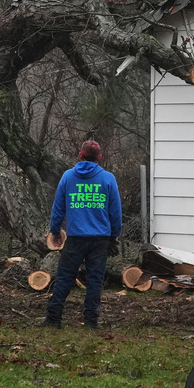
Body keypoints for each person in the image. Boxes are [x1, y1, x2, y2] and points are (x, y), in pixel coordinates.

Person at [40, 140, 122, 329]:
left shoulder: (68, 177)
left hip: (75, 237)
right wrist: (114, 235)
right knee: (95, 280)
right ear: (99, 157)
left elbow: (58, 207)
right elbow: (115, 212)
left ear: (80, 155)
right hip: (100, 239)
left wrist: (55, 231)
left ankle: (53, 318)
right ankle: (91, 321)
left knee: (64, 277)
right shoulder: (108, 179)